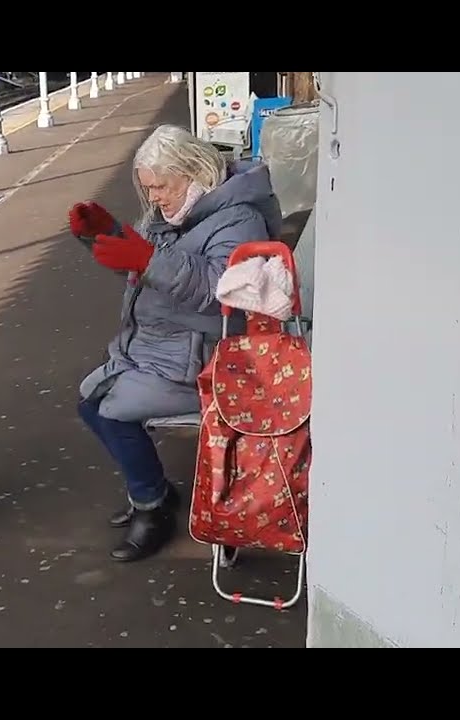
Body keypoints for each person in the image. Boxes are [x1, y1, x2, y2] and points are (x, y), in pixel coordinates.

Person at [69, 124, 283, 562]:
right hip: (159, 348)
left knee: (107, 409)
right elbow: (141, 267)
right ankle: (151, 491)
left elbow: (220, 288)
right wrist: (101, 234)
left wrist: (145, 258)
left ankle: (153, 505)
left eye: (160, 187)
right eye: (149, 190)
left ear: (193, 171)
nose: (155, 199)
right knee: (92, 403)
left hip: (203, 358)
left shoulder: (241, 218)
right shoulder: (178, 209)